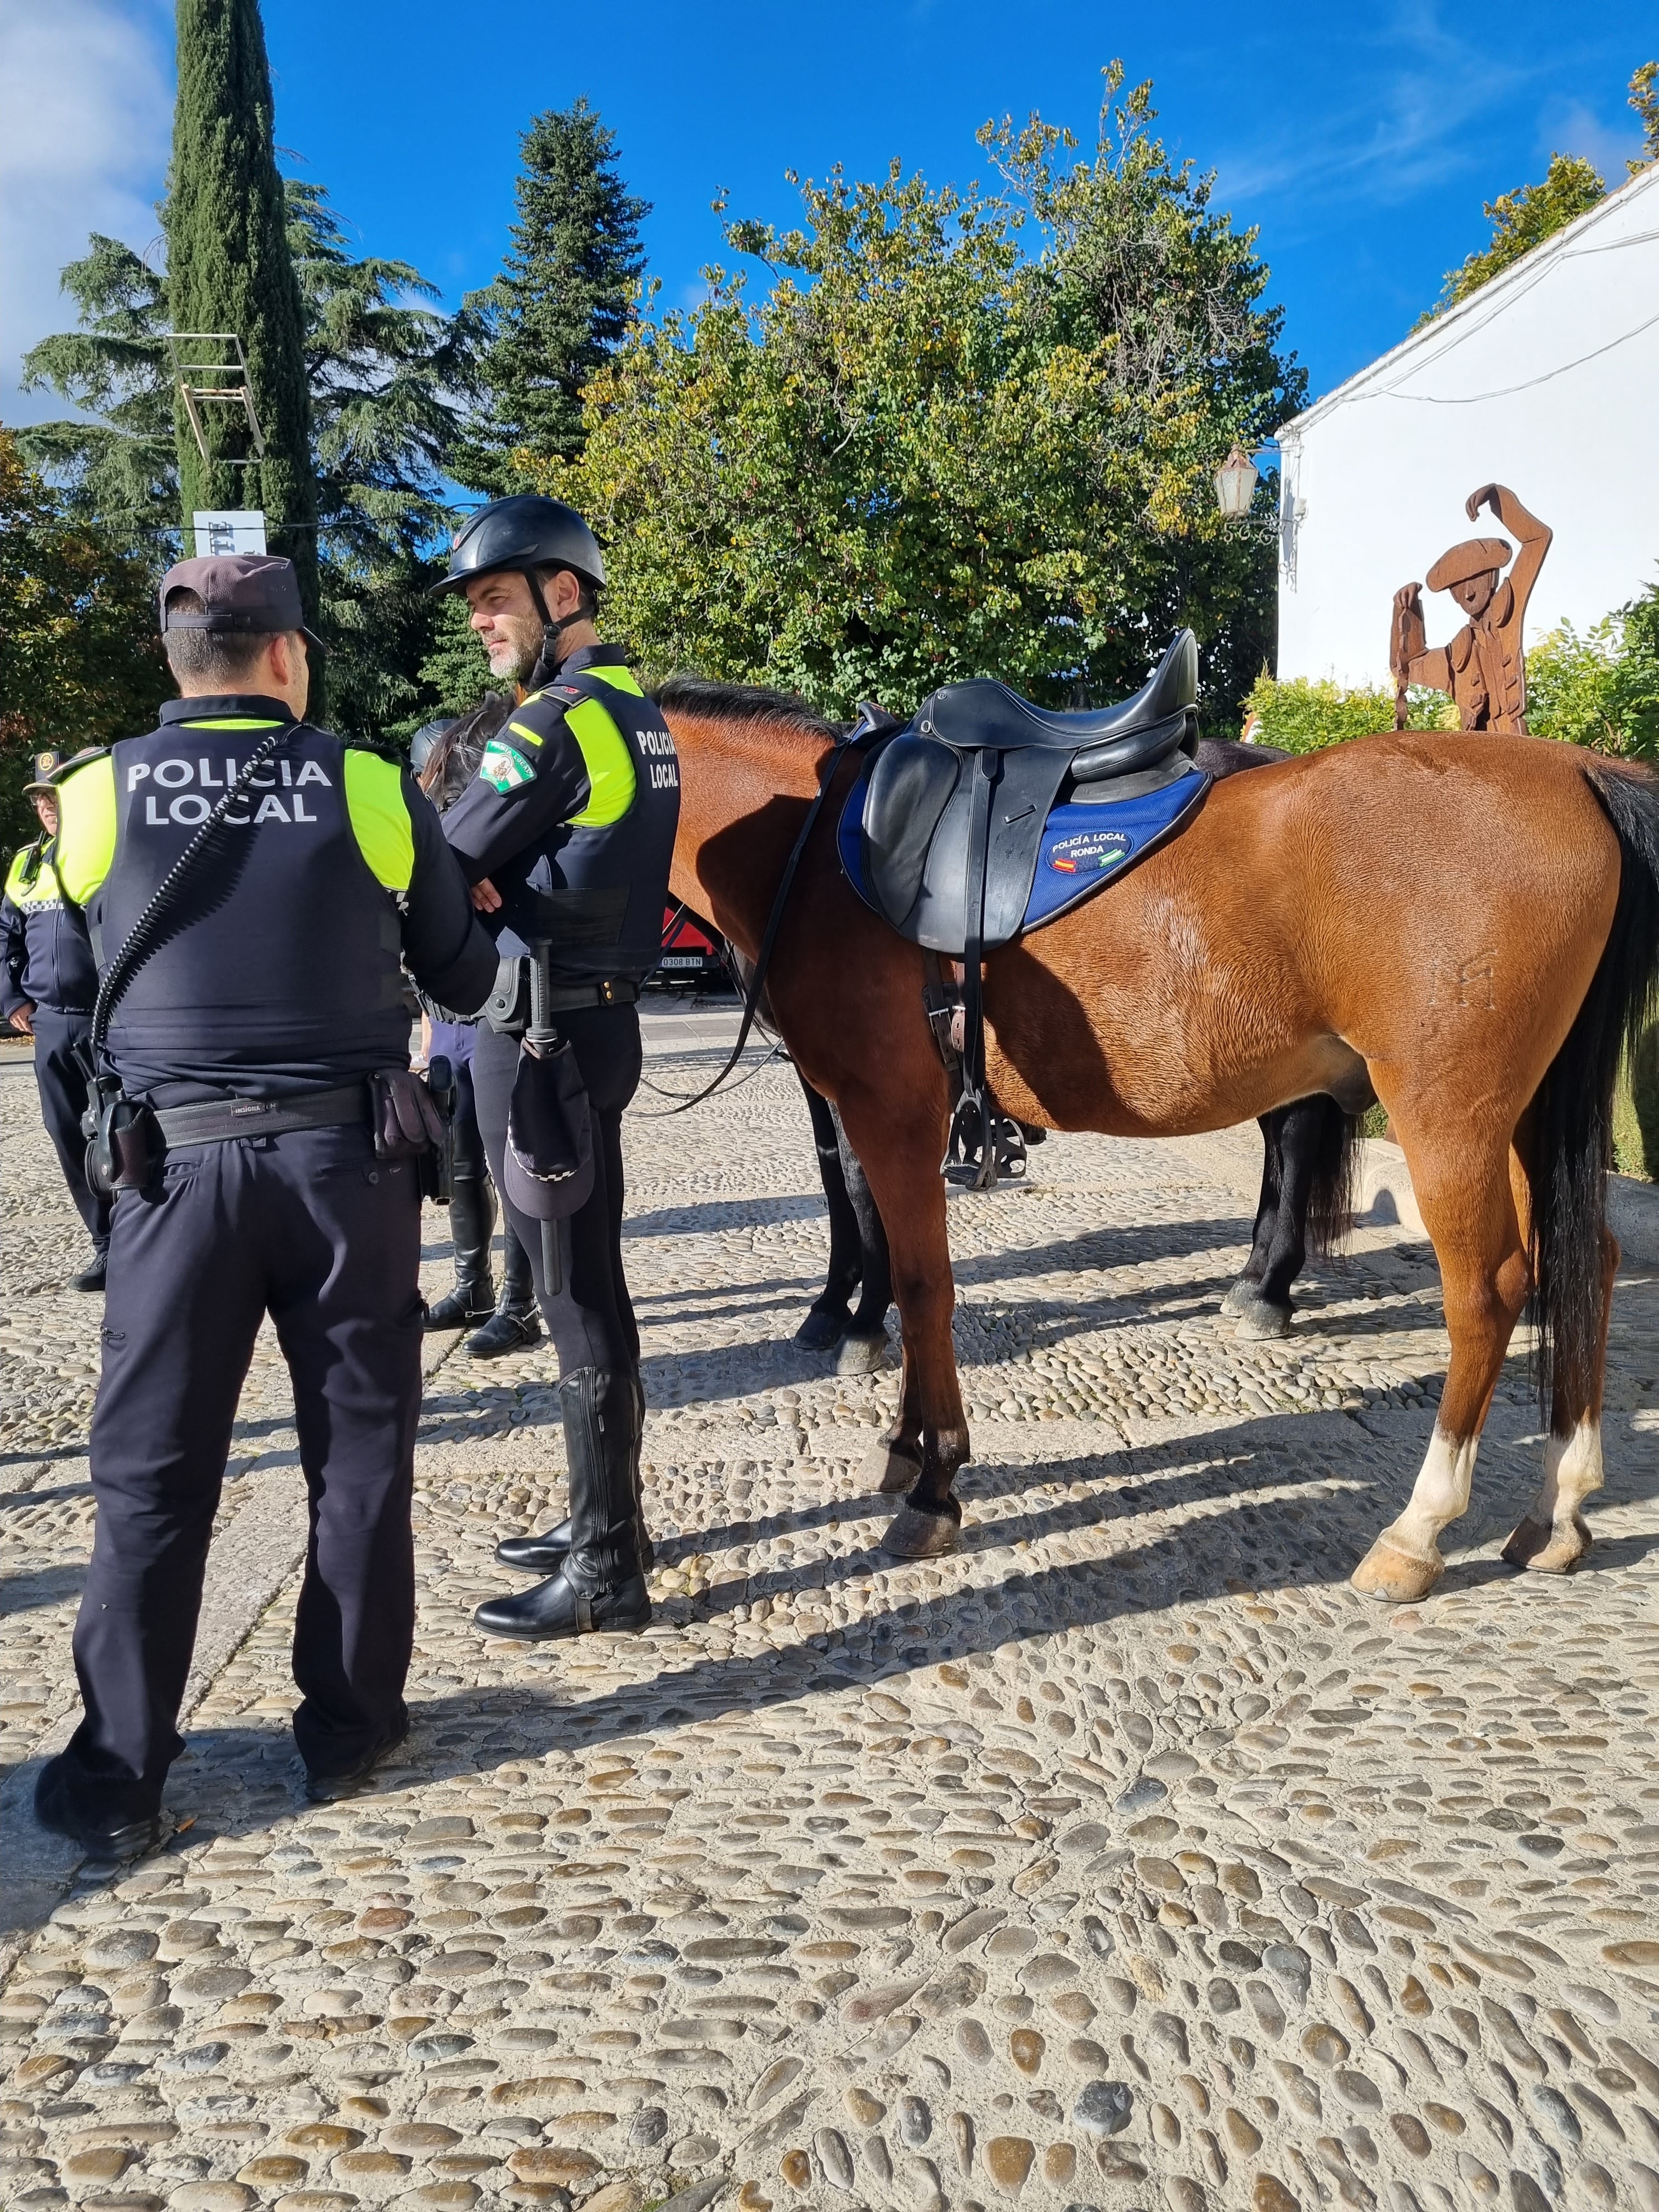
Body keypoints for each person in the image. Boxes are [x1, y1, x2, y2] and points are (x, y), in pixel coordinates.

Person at [36, 553, 498, 1859]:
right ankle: (349, 1733)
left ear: (176, 667)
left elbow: (64, 1025)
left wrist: (105, 1208)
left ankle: (119, 1779)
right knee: (357, 1459)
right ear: (292, 658)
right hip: (344, 1175)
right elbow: (457, 975)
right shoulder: (369, 785)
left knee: (147, 1478)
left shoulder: (89, 797)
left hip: (171, 1180)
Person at [432, 494, 680, 1641]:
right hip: (594, 1021)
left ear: (561, 594)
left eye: (493, 600)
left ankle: (607, 1570)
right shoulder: (636, 710)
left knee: (576, 1297)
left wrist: (472, 879)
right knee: (588, 1280)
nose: (481, 622)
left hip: (538, 1041)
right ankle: (607, 1524)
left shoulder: (552, 721)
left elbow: (439, 871)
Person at [410, 708, 540, 1358]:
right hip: (450, 1013)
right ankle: (473, 1286)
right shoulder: (439, 837)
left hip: (500, 1003)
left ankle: (521, 1304)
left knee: (509, 1159)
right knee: (460, 1162)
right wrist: (429, 1027)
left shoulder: (502, 829)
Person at [2, 751, 111, 1288]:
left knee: (127, 1130)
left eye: (57, 794)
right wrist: (11, 1000)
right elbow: (6, 938)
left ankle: (154, 1239)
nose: (47, 805)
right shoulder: (26, 864)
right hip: (50, 1022)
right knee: (68, 1134)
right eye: (41, 797)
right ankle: (107, 1245)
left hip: (109, 1019)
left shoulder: (108, 853)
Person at [1390, 483, 1553, 732]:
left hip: (1517, 748)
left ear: (1492, 578)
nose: (1468, 593)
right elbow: (1408, 666)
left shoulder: (1507, 610)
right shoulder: (1458, 656)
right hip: (1480, 758)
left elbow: (1537, 540)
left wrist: (1498, 499)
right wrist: (1407, 610)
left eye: (1476, 579)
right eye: (1457, 587)